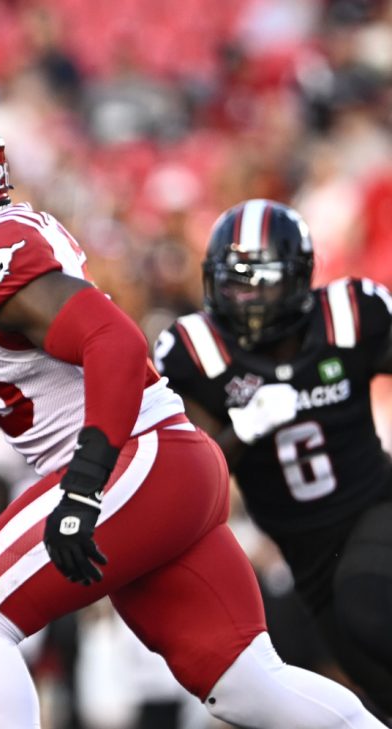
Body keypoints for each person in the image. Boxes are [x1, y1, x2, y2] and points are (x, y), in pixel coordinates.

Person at [0, 104, 384, 729]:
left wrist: (86, 485)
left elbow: (115, 342)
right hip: (167, 462)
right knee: (246, 684)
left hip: (132, 460)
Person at [153, 198, 392, 714]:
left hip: (375, 508)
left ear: (301, 278)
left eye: (263, 282)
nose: (248, 300)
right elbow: (186, 476)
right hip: (304, 554)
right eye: (236, 283)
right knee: (376, 689)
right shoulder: (195, 351)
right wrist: (244, 431)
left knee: (368, 607)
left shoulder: (350, 316)